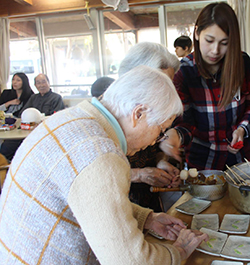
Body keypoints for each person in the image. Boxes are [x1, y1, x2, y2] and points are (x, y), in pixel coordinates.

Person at [0, 66, 208, 264]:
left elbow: (90, 203)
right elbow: (130, 261)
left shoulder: (73, 118)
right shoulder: (101, 154)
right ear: (138, 114)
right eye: (161, 130)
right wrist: (178, 251)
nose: (156, 140)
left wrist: (147, 218)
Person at [161, 2, 250, 171]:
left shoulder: (243, 64)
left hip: (242, 161)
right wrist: (176, 135)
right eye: (209, 40)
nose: (215, 50)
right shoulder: (184, 73)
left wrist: (242, 129)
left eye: (224, 43)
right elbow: (185, 123)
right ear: (196, 33)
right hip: (204, 164)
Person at [118, 42, 182, 211]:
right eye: (160, 83)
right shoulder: (113, 114)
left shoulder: (156, 111)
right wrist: (140, 174)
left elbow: (155, 148)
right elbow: (101, 174)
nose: (166, 92)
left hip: (148, 205)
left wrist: (161, 163)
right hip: (123, 205)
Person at [0, 73, 65, 161]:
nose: (41, 85)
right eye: (38, 83)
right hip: (27, 131)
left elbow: (57, 117)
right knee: (7, 146)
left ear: (48, 83)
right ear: (35, 85)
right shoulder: (33, 97)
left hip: (44, 131)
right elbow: (22, 114)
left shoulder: (56, 98)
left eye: (43, 82)